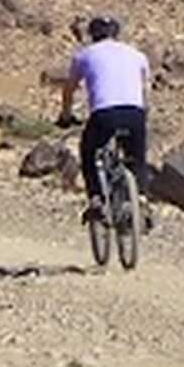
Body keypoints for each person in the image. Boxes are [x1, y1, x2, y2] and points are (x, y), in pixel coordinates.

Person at [59, 15, 151, 220]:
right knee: (137, 157)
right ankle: (142, 199)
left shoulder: (84, 55)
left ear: (92, 35)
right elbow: (146, 91)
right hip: (135, 112)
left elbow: (69, 89)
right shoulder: (137, 54)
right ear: (116, 34)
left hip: (104, 114)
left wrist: (66, 115)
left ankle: (96, 200)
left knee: (88, 152)